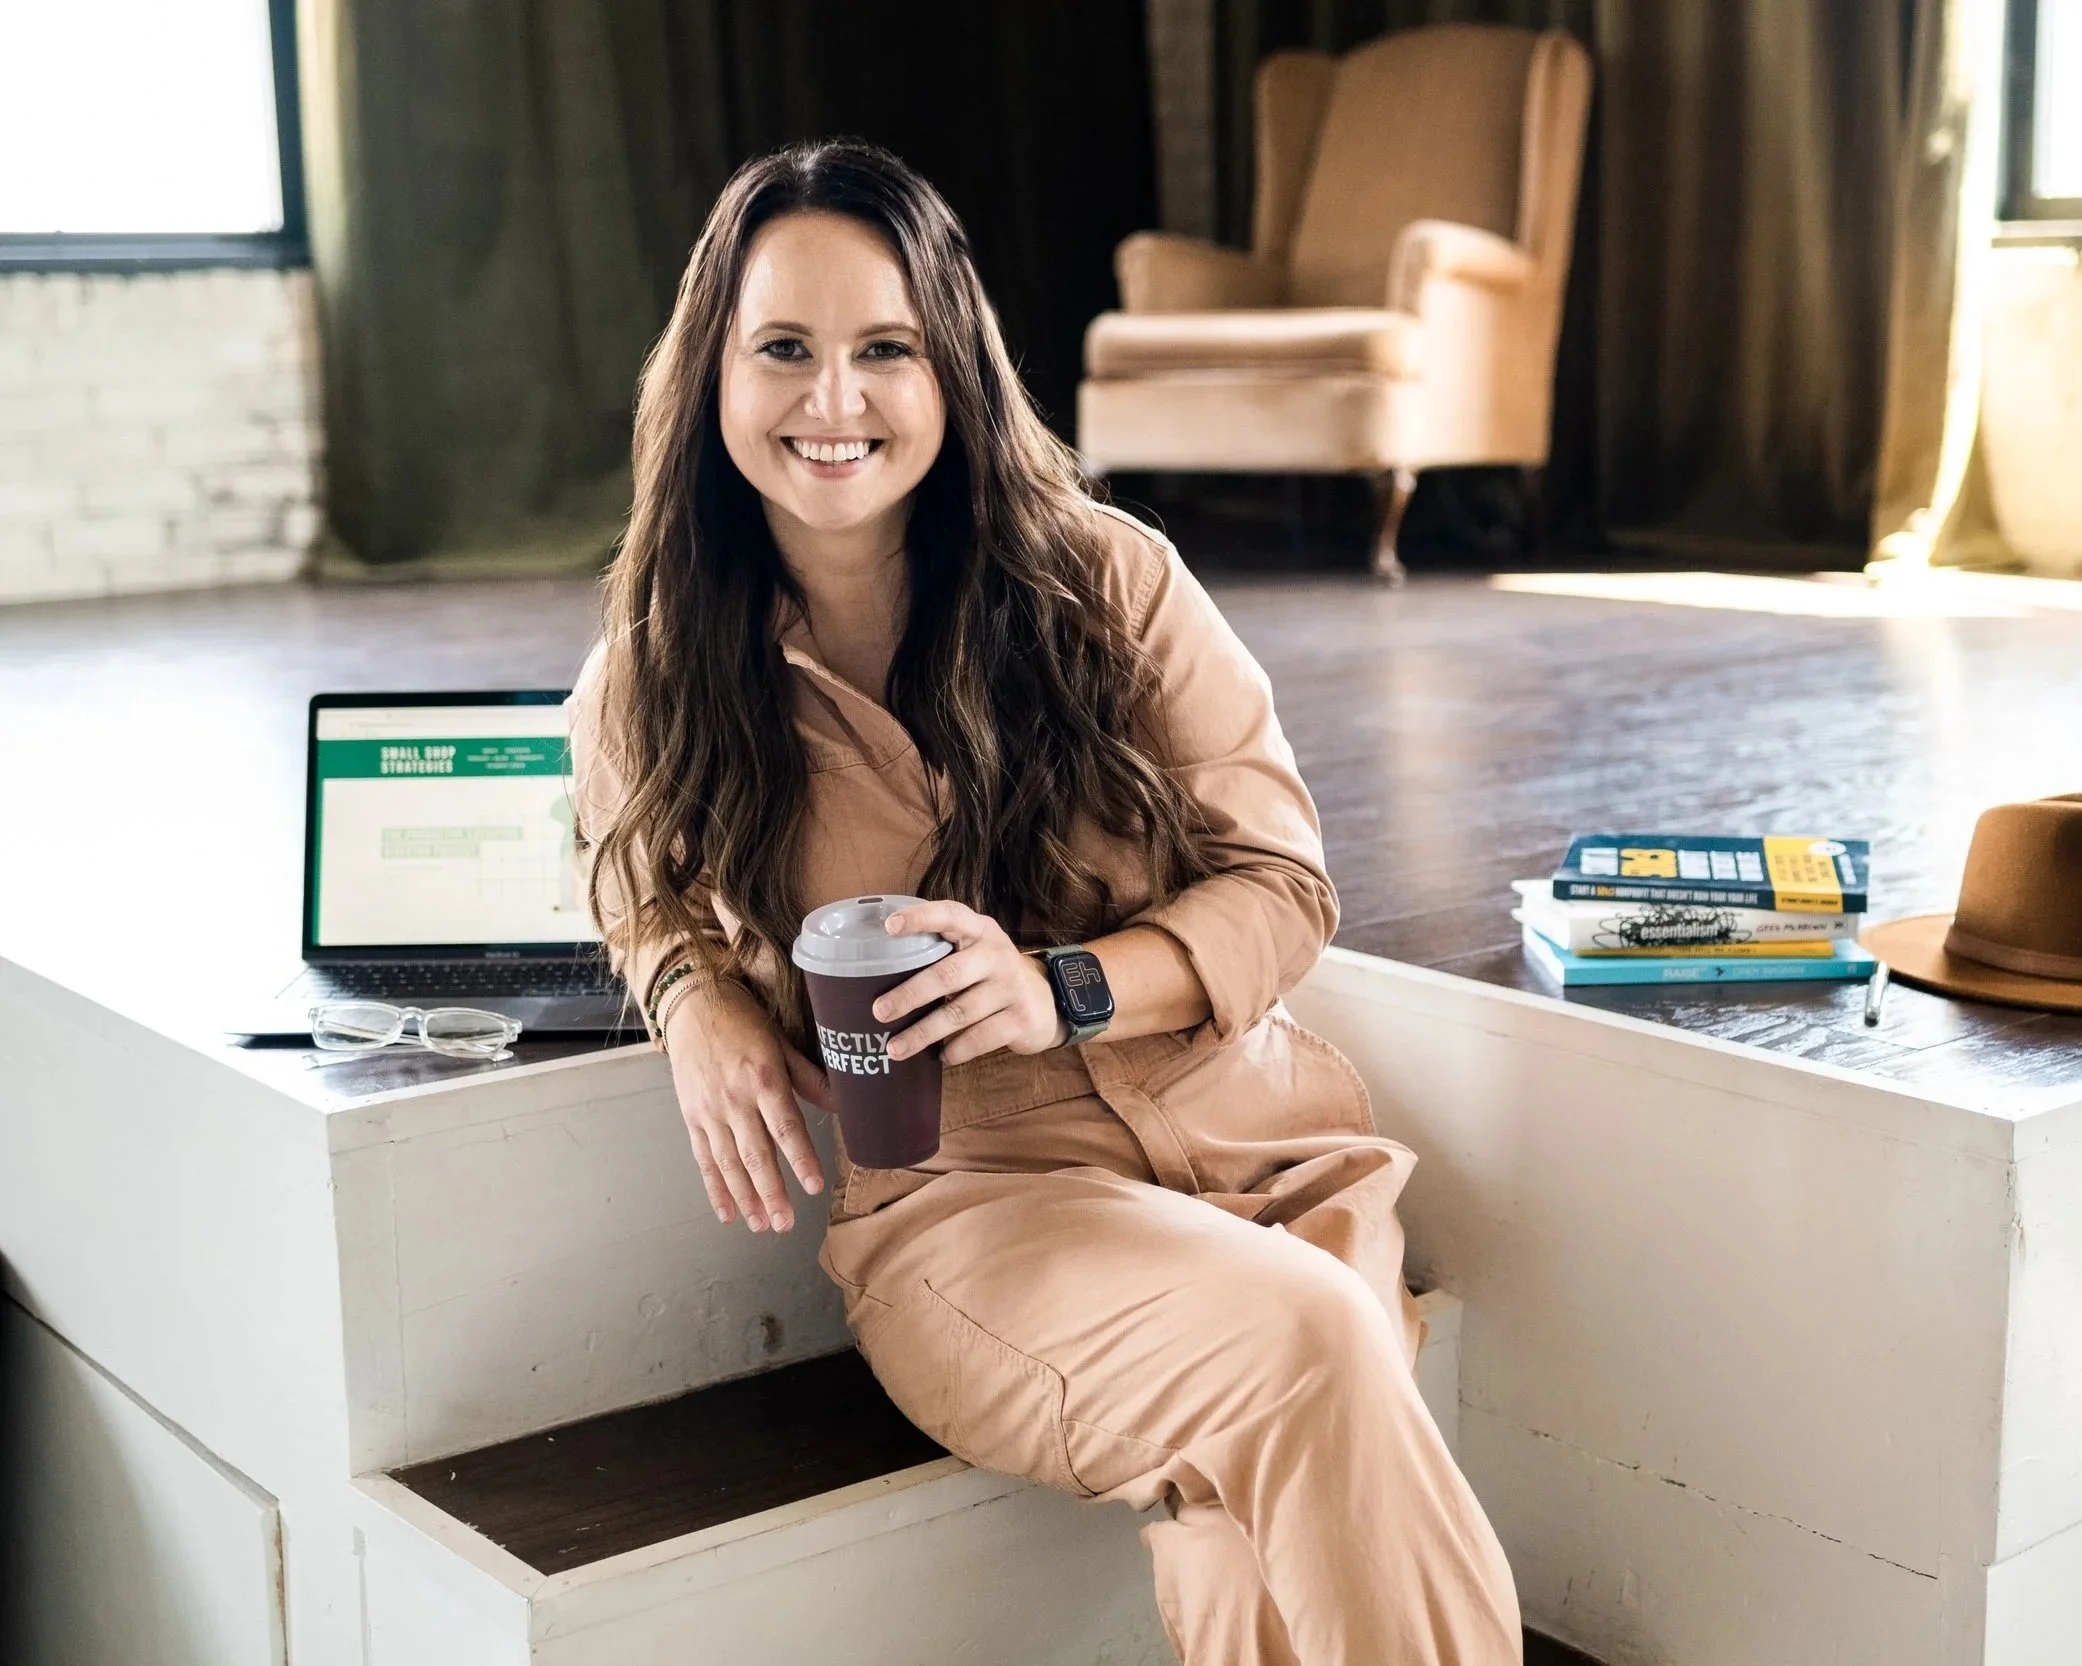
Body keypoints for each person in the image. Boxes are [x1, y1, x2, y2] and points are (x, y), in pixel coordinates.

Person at [567, 138, 1520, 1666]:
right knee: (1312, 1336)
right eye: (783, 349)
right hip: (975, 1209)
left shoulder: (1111, 583)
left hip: (1259, 1160)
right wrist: (689, 1001)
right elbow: (628, 877)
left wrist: (1060, 985)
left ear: (952, 364)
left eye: (885, 348)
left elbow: (1284, 885)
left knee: (1247, 1517)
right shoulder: (655, 676)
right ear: (712, 377)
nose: (833, 398)